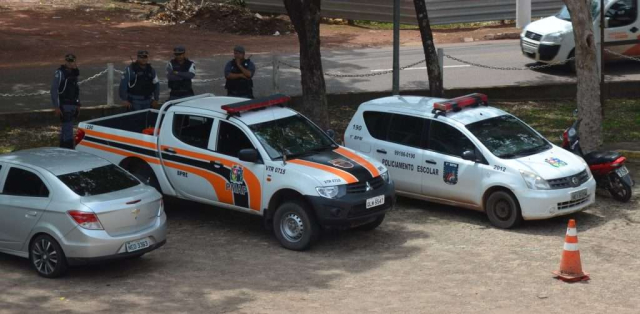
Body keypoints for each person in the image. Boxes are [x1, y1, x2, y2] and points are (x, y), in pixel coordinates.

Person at [50, 53, 80, 149]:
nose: (70, 63)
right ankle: (68, 149)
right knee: (68, 129)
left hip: (72, 105)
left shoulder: (75, 73)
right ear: (65, 61)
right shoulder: (60, 73)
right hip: (64, 105)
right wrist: (57, 106)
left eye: (72, 61)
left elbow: (76, 90)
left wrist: (78, 103)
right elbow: (54, 90)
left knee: (66, 128)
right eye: (68, 61)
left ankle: (63, 148)